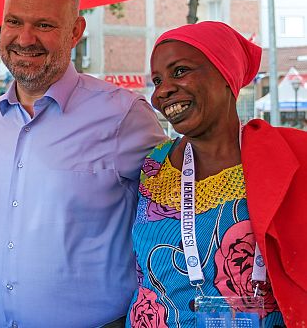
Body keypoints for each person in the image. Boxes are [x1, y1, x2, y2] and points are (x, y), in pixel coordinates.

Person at [0, 0, 166, 326]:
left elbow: (177, 213)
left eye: (44, 25)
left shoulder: (123, 114)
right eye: (14, 21)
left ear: (75, 32)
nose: (24, 38)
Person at [129, 21, 307, 327]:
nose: (162, 91)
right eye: (157, 80)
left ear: (224, 74)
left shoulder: (288, 157)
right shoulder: (153, 166)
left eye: (180, 71)